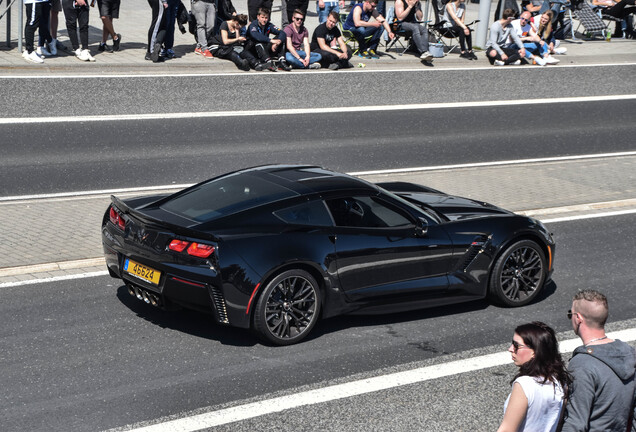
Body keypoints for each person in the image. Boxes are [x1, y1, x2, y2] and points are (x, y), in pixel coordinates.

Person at [561, 290, 636, 432]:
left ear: (578, 318)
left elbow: (575, 423)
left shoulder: (582, 364)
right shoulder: (629, 353)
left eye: (570, 314)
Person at [497, 322, 571, 432]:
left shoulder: (524, 384)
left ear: (535, 352)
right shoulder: (560, 381)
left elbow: (507, 429)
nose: (510, 349)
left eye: (516, 345)